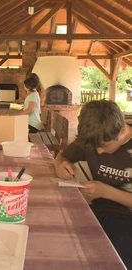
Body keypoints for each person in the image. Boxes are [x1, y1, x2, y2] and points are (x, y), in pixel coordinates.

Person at [54, 100, 132, 268]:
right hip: (96, 212)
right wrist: (61, 166)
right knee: (59, 245)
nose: (99, 152)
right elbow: (62, 156)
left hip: (127, 217)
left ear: (123, 130)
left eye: (104, 146)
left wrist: (105, 192)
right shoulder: (95, 136)